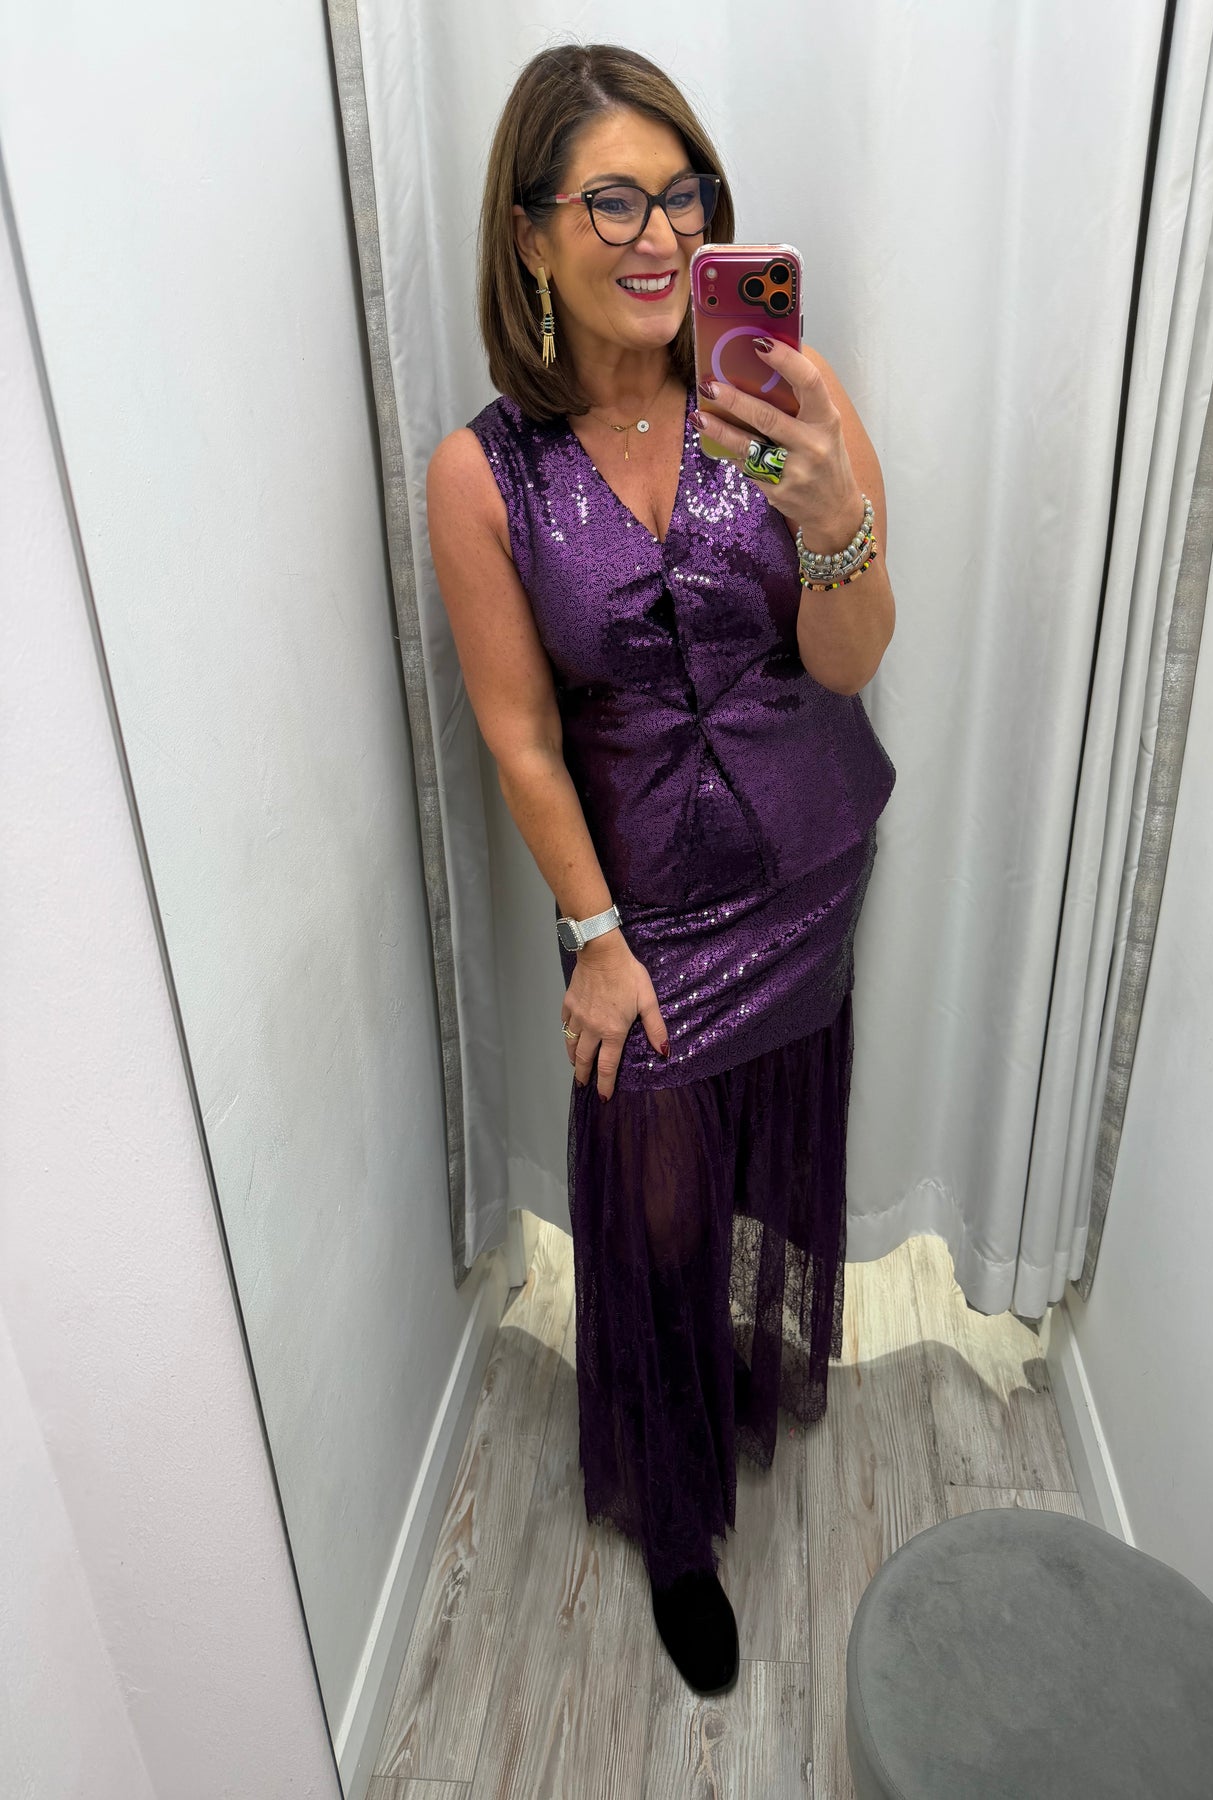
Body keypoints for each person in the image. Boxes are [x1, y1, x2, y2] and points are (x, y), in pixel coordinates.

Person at [426, 43, 897, 1697]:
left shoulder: (781, 394)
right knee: (656, 1191)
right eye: (610, 200)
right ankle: (675, 1515)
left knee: (763, 1151)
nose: (655, 234)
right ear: (530, 235)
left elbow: (847, 661)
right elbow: (520, 739)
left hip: (805, 855)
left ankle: (738, 1385)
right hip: (646, 912)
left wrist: (832, 516)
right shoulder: (485, 472)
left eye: (679, 193)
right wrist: (596, 940)